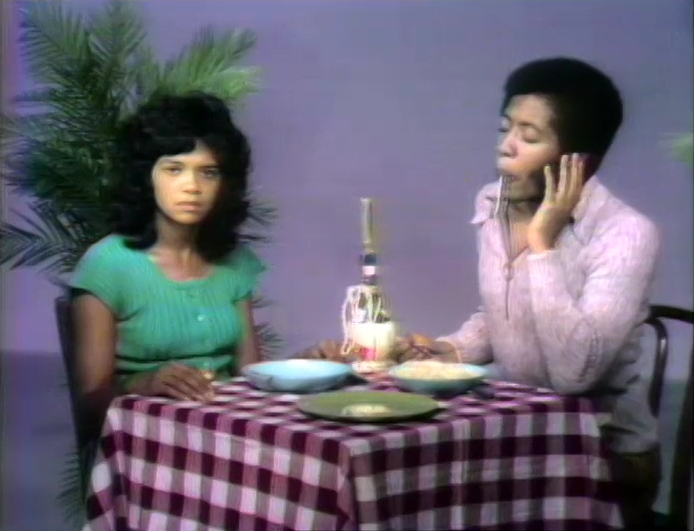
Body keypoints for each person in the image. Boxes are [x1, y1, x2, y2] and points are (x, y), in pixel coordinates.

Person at [303, 57, 661, 528]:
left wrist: (542, 246)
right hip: (516, 434)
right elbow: (501, 313)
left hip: (599, 452)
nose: (505, 147)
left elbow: (574, 374)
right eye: (505, 128)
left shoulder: (625, 233)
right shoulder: (493, 202)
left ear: (579, 162)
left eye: (529, 137)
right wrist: (445, 351)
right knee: (403, 484)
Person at [70, 92, 265, 436]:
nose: (192, 187)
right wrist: (144, 383)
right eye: (174, 169)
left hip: (231, 435)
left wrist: (311, 365)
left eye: (208, 172)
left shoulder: (234, 261)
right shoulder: (107, 265)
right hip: (148, 444)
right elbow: (90, 402)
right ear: (147, 176)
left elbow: (252, 377)